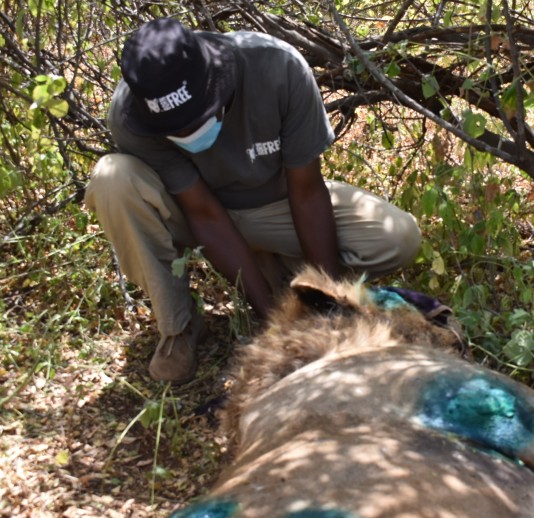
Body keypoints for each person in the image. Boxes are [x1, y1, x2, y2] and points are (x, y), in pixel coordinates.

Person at [85, 18, 421, 383]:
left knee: (397, 237)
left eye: (196, 121)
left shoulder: (277, 66)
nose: (188, 135)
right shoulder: (131, 115)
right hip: (194, 215)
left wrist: (328, 303)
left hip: (274, 204)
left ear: (217, 86)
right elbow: (204, 212)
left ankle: (285, 275)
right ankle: (179, 325)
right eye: (175, 130)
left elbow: (307, 191)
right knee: (112, 179)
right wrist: (275, 321)